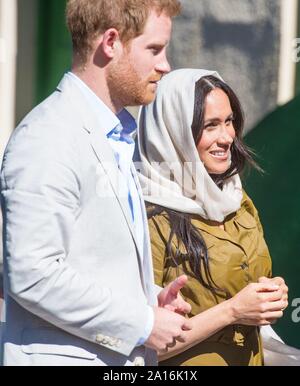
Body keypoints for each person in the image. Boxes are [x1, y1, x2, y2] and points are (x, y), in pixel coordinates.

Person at [0, 0, 193, 367]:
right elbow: (32, 273)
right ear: (110, 42)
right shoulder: (48, 136)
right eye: (154, 49)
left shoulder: (113, 135)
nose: (165, 65)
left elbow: (91, 262)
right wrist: (142, 323)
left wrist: (148, 299)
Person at [136, 69, 289, 366]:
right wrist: (233, 310)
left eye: (229, 121)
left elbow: (249, 283)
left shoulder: (236, 199)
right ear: (174, 133)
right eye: (210, 126)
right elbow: (141, 341)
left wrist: (270, 294)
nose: (226, 137)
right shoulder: (146, 216)